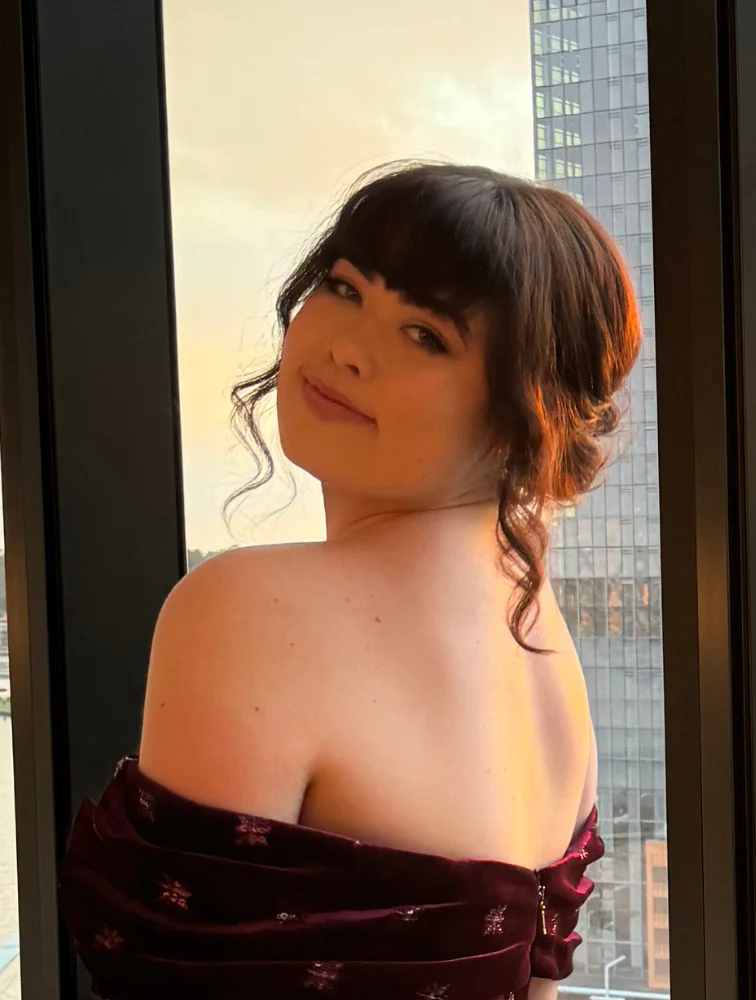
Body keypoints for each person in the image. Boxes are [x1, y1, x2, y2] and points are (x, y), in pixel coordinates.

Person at [60, 161, 642, 999]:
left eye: (425, 334)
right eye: (344, 288)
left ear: (527, 410)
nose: (344, 348)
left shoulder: (248, 610)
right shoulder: (536, 628)